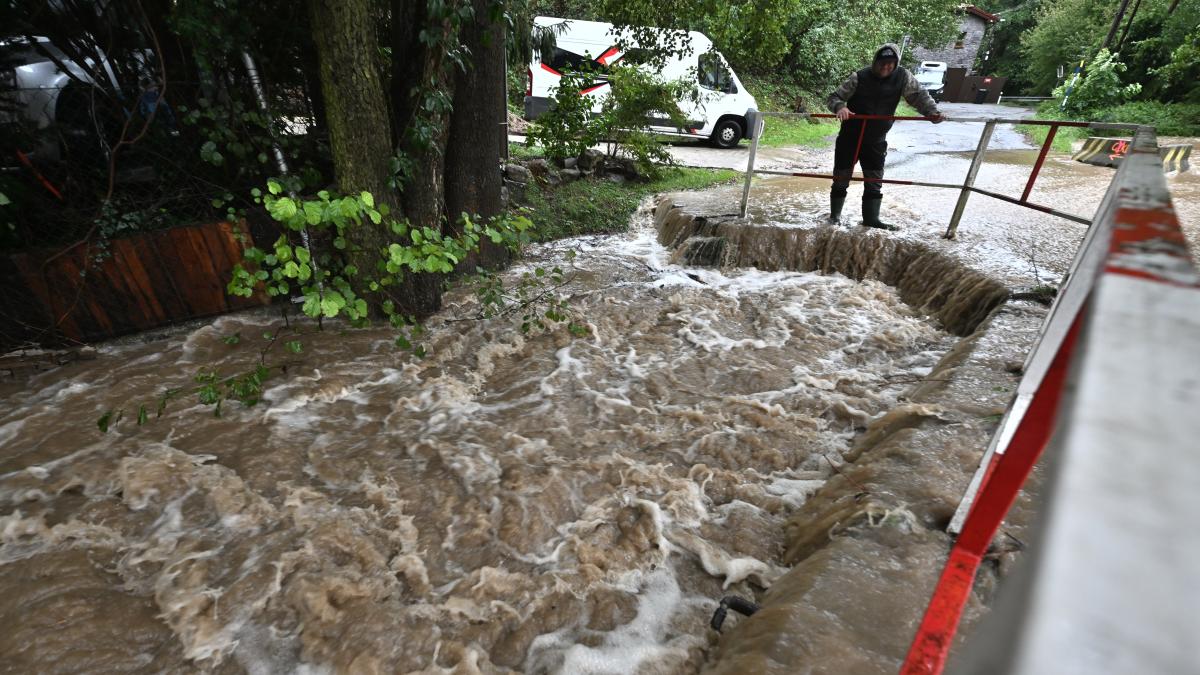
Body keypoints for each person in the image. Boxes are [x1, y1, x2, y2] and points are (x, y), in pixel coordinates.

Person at [826, 43, 943, 230]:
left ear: (896, 63)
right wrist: (840, 107)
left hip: (876, 140)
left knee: (874, 181)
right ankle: (834, 218)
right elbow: (833, 97)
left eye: (890, 63)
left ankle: (871, 220)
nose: (885, 67)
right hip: (850, 137)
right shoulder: (859, 77)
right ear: (875, 61)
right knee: (841, 178)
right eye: (882, 62)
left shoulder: (904, 77)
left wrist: (932, 112)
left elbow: (918, 96)